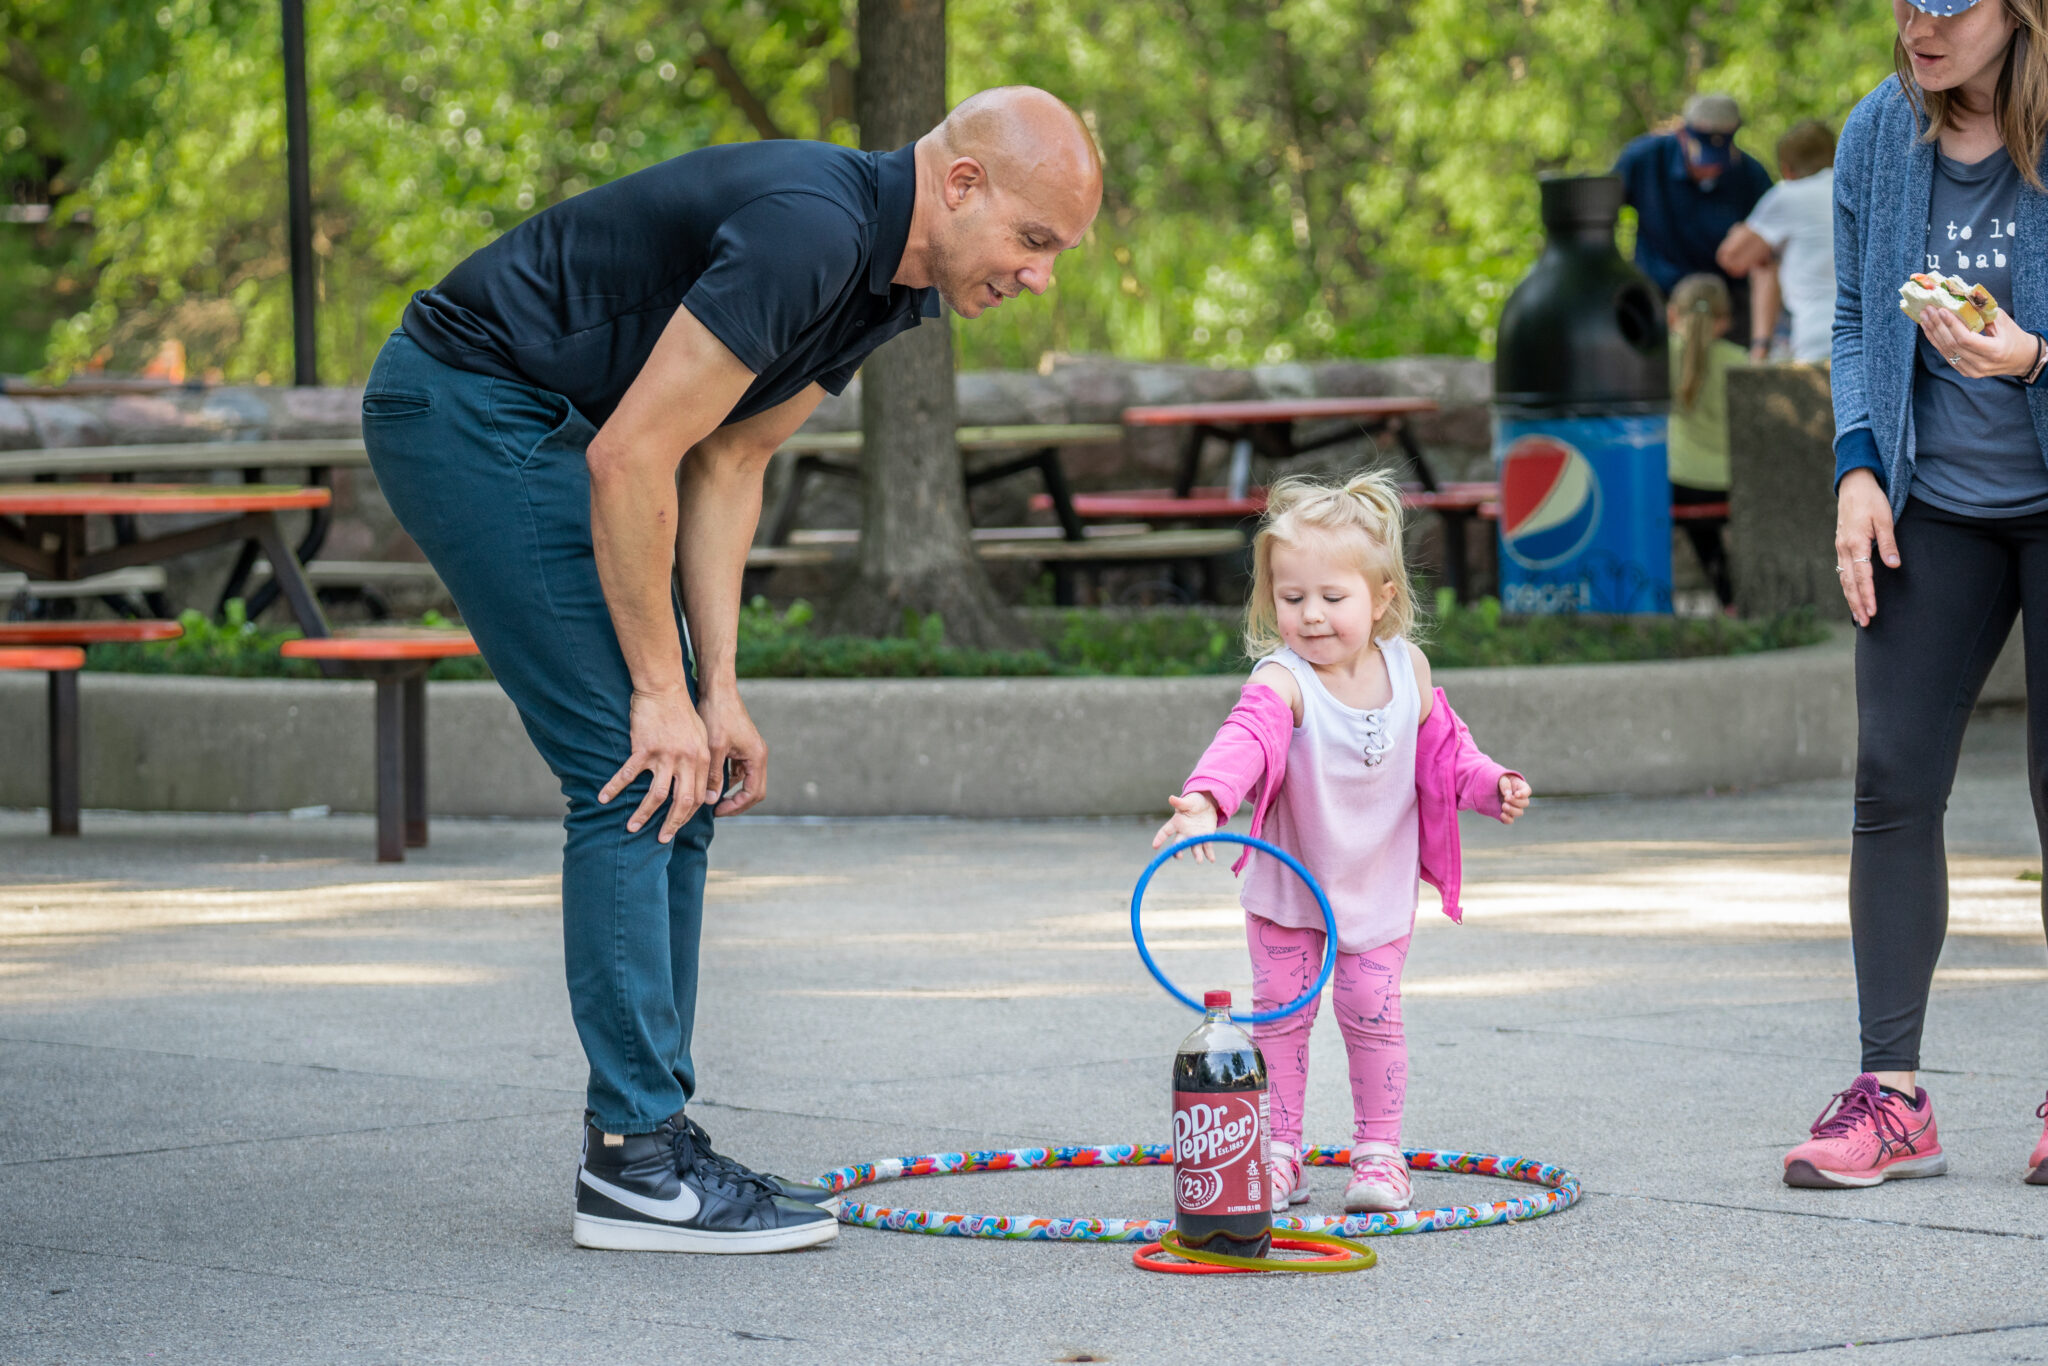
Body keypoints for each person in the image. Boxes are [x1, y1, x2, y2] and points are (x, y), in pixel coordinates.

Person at [358, 87, 1103, 1252]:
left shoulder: (890, 288)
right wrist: (657, 694)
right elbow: (632, 456)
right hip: (470, 406)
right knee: (630, 763)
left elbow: (730, 455)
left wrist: (715, 694)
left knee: (685, 770)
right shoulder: (811, 229)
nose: (1040, 277)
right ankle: (632, 1165)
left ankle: (658, 1137)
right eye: (1034, 240)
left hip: (568, 431)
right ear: (960, 186)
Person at [1799, 0, 2048, 1190]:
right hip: (1931, 501)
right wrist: (1856, 463)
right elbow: (1854, 321)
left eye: (1948, 4)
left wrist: (2032, 356)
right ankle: (1889, 1094)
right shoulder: (1874, 136)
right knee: (1890, 773)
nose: (1918, 25)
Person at [1150, 471, 1532, 1212]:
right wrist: (1204, 802)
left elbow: (1449, 750)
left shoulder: (1406, 669)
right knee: (1282, 1019)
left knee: (1371, 1008)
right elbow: (1245, 739)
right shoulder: (1283, 680)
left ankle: (1380, 1155)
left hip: (1375, 887)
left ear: (1383, 597)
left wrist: (1491, 785)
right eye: (1292, 600)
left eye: (1333, 598)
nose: (1312, 617)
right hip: (1291, 890)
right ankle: (1280, 1152)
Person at [1615, 93, 1775, 339]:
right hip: (1657, 299)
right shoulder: (1642, 161)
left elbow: (1768, 254)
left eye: (1719, 158)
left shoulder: (1751, 176)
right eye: (1703, 155)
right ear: (1682, 133)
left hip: (1725, 307)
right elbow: (1599, 218)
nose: (1710, 167)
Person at [1718, 121, 1840, 363]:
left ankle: (1759, 349)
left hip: (1814, 338)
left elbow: (1732, 258)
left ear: (1787, 170)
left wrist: (1740, 231)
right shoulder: (1858, 190)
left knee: (1762, 259)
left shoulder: (1789, 195)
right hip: (1865, 333)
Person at [1666, 274, 1745, 607]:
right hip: (1730, 482)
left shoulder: (1660, 356)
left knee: (1700, 530)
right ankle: (1732, 603)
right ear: (1724, 320)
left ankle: (1726, 601)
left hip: (1679, 480)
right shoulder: (1740, 360)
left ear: (1672, 314)